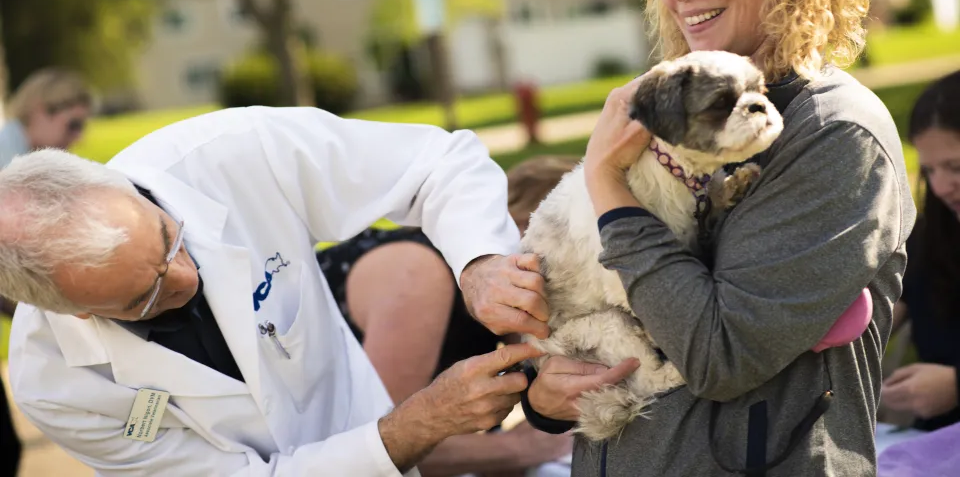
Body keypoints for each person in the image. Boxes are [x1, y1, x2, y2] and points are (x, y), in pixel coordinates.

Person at [461, 0, 915, 475]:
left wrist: (606, 182)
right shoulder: (675, 118)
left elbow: (720, 355)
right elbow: (601, 303)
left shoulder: (836, 135)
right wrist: (546, 393)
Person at [0, 106, 555, 476]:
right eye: (144, 296)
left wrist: (480, 261)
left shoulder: (233, 151)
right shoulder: (55, 385)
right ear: (73, 314)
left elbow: (437, 163)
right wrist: (421, 422)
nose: (187, 277)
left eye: (170, 238)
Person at [317, 155, 581, 477]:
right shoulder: (418, 273)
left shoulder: (494, 285)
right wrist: (518, 449)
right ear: (527, 224)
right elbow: (379, 448)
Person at [0, 66, 91, 477]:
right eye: (72, 123)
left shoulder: (30, 158)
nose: (78, 137)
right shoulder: (7, 158)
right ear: (39, 110)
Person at [881, 70, 960, 431]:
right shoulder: (935, 233)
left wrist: (955, 387)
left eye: (954, 167)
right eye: (929, 170)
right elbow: (890, 308)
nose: (942, 186)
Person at [0, 67, 92, 167]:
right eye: (74, 125)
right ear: (39, 111)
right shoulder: (6, 162)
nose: (79, 138)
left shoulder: (19, 155)